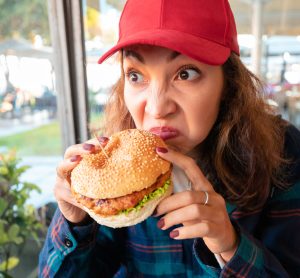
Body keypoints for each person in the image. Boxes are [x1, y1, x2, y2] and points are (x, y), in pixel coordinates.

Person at [39, 0, 300, 277]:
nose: (156, 108)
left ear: (229, 83)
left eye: (184, 74)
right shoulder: (108, 169)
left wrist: (230, 247)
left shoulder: (283, 151)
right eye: (136, 75)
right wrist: (73, 223)